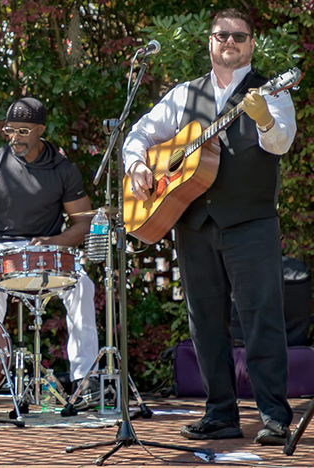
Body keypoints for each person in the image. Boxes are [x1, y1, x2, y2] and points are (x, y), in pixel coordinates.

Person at [123, 9, 296, 445]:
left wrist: (263, 118)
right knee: (203, 321)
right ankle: (220, 413)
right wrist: (138, 166)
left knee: (261, 319)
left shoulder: (271, 91)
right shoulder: (185, 95)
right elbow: (138, 136)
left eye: (240, 36)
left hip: (250, 221)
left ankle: (274, 415)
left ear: (251, 44)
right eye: (223, 35)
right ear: (210, 42)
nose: (231, 42)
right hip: (194, 222)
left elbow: (281, 143)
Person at [0, 97, 100, 409]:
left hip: (49, 248)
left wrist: (55, 241)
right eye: (9, 130)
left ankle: (86, 381)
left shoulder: (62, 168)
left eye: (23, 131)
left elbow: (84, 224)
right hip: (2, 247)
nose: (14, 137)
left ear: (40, 130)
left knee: (83, 285)